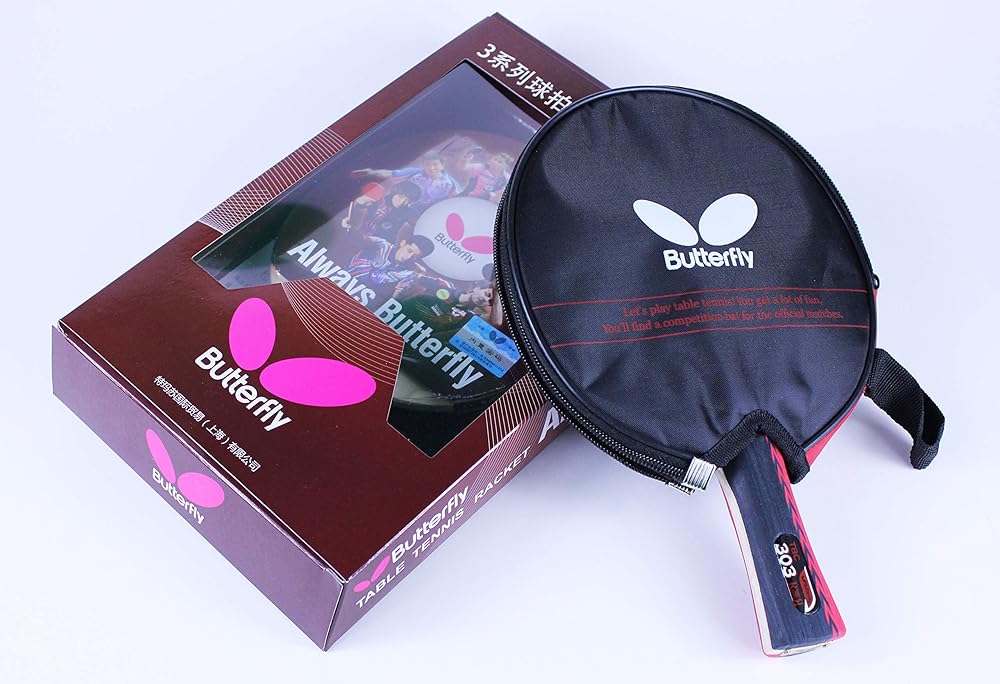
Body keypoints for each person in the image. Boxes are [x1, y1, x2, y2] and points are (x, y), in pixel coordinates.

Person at [347, 234, 436, 299]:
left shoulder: (409, 273)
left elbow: (394, 298)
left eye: (415, 256)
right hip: (345, 281)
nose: (409, 257)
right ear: (403, 243)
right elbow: (357, 237)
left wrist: (399, 292)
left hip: (365, 297)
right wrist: (348, 228)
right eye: (409, 251)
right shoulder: (381, 244)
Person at [354, 154, 461, 207]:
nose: (431, 168)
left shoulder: (450, 185)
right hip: (395, 203)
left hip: (416, 213)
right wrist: (371, 172)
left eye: (435, 164)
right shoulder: (416, 172)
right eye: (428, 165)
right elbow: (391, 173)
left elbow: (456, 201)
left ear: (442, 165)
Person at [342, 180, 421, 242]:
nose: (402, 202)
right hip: (355, 236)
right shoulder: (378, 201)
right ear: (395, 192)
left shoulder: (408, 213)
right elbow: (358, 203)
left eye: (408, 201)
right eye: (401, 197)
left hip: (377, 245)